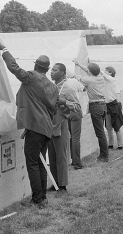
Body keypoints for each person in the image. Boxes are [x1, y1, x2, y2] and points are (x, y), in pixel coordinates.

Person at [0, 37, 58, 209]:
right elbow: (52, 109)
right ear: (46, 69)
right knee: (40, 162)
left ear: (35, 66)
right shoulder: (53, 87)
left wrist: (4, 49)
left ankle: (37, 199)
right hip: (45, 128)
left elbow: (14, 68)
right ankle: (43, 198)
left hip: (36, 127)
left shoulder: (32, 77)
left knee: (32, 162)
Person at [48, 63, 81, 193]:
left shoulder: (67, 88)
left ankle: (62, 185)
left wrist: (65, 102)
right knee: (52, 156)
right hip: (50, 124)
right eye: (51, 70)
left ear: (62, 73)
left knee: (61, 156)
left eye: (55, 70)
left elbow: (77, 107)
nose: (51, 72)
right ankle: (55, 183)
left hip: (61, 124)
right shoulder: (51, 87)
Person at [72, 59, 109, 162]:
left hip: (96, 107)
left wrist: (69, 72)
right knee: (101, 131)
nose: (87, 71)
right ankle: (104, 154)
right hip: (103, 105)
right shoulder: (100, 77)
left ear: (90, 72)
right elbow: (89, 71)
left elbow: (76, 77)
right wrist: (79, 64)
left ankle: (104, 156)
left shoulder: (88, 80)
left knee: (100, 133)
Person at [101, 66, 123, 150]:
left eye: (106, 71)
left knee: (117, 127)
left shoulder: (111, 79)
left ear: (110, 72)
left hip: (113, 105)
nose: (104, 72)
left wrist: (95, 67)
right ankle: (110, 144)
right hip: (107, 106)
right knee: (108, 127)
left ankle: (120, 145)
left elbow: (101, 73)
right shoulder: (106, 80)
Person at [67, 78, 85, 170]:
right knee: (76, 138)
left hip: (66, 111)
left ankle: (74, 160)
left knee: (71, 137)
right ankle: (77, 163)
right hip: (75, 109)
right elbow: (84, 89)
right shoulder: (74, 81)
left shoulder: (61, 84)